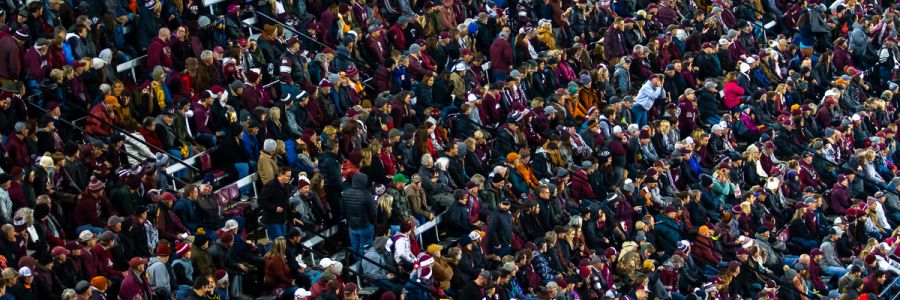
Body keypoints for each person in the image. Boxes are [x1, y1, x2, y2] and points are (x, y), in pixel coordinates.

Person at [343, 172, 375, 259]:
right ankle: (361, 268)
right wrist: (372, 222)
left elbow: (343, 210)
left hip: (352, 226)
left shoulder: (345, 193)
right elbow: (373, 213)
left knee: (355, 248)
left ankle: (357, 266)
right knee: (364, 250)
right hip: (365, 226)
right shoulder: (367, 195)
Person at [259, 167, 293, 239]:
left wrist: (292, 217)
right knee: (279, 242)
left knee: (283, 242)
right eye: (287, 176)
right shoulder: (270, 185)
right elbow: (261, 200)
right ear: (280, 175)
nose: (289, 178)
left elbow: (286, 203)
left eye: (290, 176)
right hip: (272, 220)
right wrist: (274, 208)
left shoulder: (286, 186)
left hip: (282, 219)